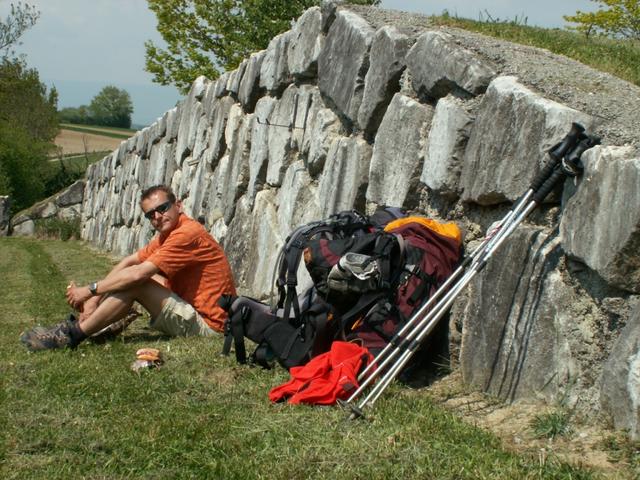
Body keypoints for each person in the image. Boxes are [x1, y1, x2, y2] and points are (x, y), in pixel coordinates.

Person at [20, 184, 237, 351]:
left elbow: (138, 273)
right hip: (196, 309)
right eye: (150, 214)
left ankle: (72, 335)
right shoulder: (168, 234)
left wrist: (89, 290)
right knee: (134, 276)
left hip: (211, 327)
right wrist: (93, 301)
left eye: (162, 208)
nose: (158, 216)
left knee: (137, 283)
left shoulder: (187, 233)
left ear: (178, 205)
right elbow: (130, 261)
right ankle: (103, 322)